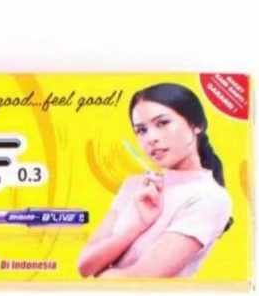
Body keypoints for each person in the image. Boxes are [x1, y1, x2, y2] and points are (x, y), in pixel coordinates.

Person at [78, 82, 233, 279]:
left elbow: (139, 280)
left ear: (196, 125)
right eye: (141, 130)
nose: (151, 138)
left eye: (162, 123)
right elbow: (85, 266)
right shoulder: (136, 185)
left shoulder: (209, 197)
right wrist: (137, 225)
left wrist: (103, 272)